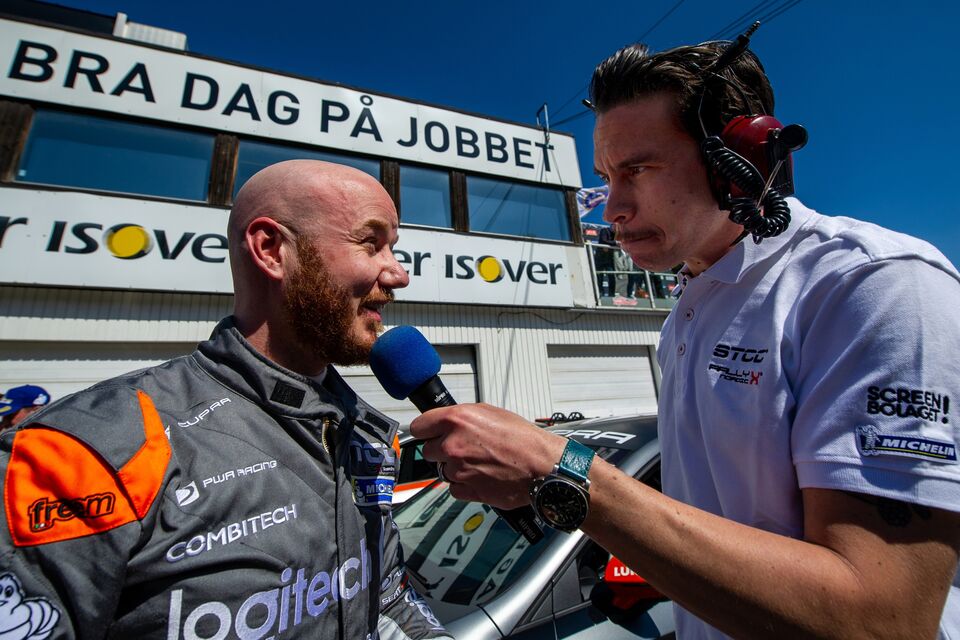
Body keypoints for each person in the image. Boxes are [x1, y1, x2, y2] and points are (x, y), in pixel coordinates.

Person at [410, 39, 960, 639]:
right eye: (605, 178)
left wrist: (564, 472)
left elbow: (882, 620)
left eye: (637, 170)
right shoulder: (686, 312)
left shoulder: (871, 285)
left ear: (741, 158)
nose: (612, 208)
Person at [0, 160, 451, 639]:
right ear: (271, 250)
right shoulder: (85, 451)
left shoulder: (366, 431)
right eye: (371, 243)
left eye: (394, 249)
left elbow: (387, 600)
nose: (399, 275)